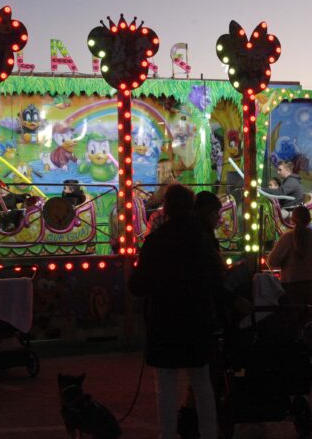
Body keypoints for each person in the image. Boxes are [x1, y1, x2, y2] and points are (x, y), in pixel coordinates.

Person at [129, 184, 220, 439]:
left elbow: (137, 285)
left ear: (166, 207)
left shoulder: (156, 241)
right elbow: (216, 279)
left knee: (166, 386)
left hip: (164, 321)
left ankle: (167, 435)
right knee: (202, 383)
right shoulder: (203, 241)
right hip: (197, 320)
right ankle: (209, 434)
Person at [267, 205, 312, 323]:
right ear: (309, 219)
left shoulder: (287, 238)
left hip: (290, 287)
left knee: (292, 325)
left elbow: (272, 261)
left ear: (293, 220)